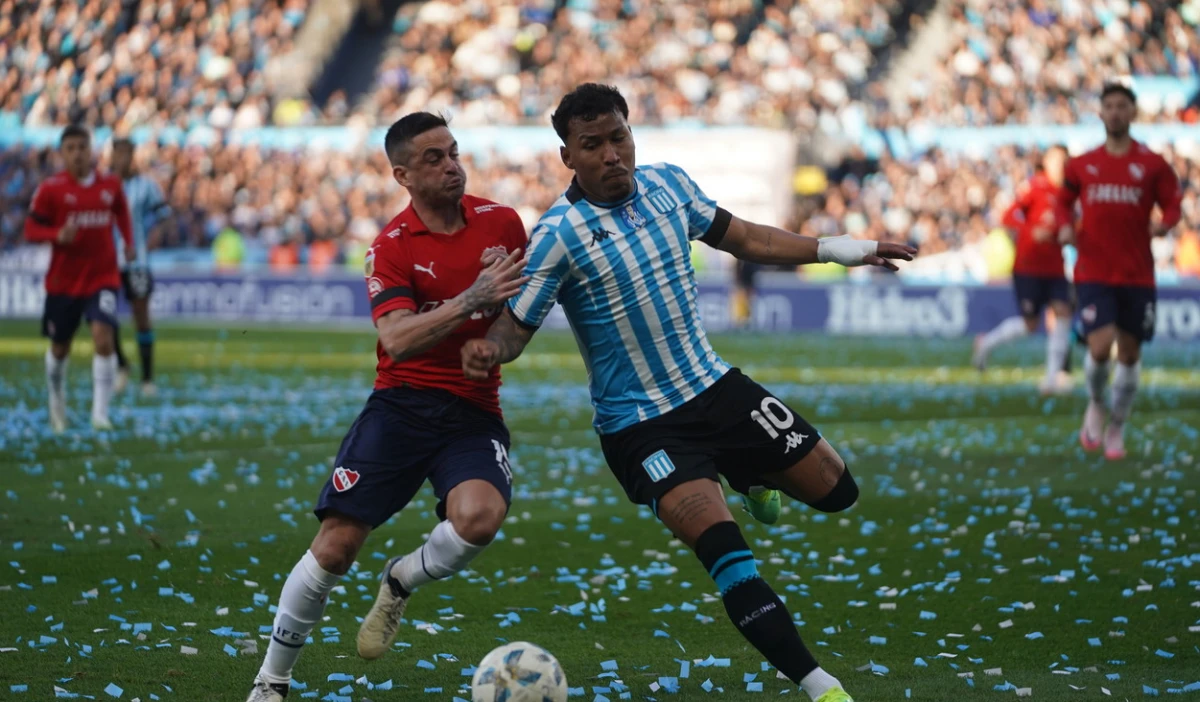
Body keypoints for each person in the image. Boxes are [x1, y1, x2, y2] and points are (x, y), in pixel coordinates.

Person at [462, 84, 916, 702]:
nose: (611, 154)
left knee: (838, 491)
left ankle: (748, 476)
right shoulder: (557, 235)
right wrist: (489, 348)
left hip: (716, 388)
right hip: (643, 426)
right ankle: (821, 686)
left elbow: (747, 239)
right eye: (591, 145)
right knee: (725, 550)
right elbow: (517, 328)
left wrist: (841, 249)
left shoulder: (670, 185)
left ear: (631, 134)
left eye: (618, 137)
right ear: (568, 156)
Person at [245, 112, 529, 702]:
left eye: (453, 152)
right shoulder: (391, 247)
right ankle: (272, 681)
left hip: (473, 408)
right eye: (434, 159)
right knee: (336, 546)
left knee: (479, 519)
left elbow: (516, 321)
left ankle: (402, 578)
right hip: (400, 405)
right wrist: (468, 300)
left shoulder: (503, 223)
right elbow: (397, 337)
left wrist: (493, 346)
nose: (452, 165)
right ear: (402, 175)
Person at [1058, 83, 1182, 460]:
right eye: (1108, 105)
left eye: (1121, 106)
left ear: (1132, 113)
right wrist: (1065, 226)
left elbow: (1173, 205)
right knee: (1099, 345)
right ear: (1100, 113)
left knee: (1129, 355)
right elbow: (1063, 201)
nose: (1114, 112)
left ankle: (1117, 426)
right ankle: (1096, 402)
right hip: (1094, 271)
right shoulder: (1081, 165)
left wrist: (1164, 225)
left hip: (1136, 273)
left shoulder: (1153, 164)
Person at [23, 124, 134, 433]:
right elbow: (30, 230)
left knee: (103, 337)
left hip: (103, 277)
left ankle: (100, 415)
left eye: (82, 147)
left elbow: (121, 212)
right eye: (70, 148)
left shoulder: (110, 185)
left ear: (92, 150)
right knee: (60, 348)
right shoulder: (50, 190)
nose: (77, 154)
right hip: (64, 282)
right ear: (62, 153)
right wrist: (56, 234)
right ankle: (56, 400)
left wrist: (128, 241)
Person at [973, 145, 1075, 394]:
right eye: (1054, 160)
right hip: (1029, 266)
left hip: (1055, 267)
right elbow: (1009, 216)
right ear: (1046, 163)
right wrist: (1032, 230)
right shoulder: (1035, 187)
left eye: (1063, 161)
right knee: (1030, 325)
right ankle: (986, 343)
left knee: (1063, 313)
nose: (1059, 166)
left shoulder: (1070, 193)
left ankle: (1052, 378)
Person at [109, 138, 170, 397]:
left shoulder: (145, 186)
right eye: (118, 153)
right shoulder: (103, 185)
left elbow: (164, 216)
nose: (122, 159)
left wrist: (156, 235)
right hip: (107, 261)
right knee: (104, 316)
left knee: (141, 316)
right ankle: (122, 364)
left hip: (137, 261)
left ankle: (147, 378)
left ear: (132, 156)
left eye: (127, 154)